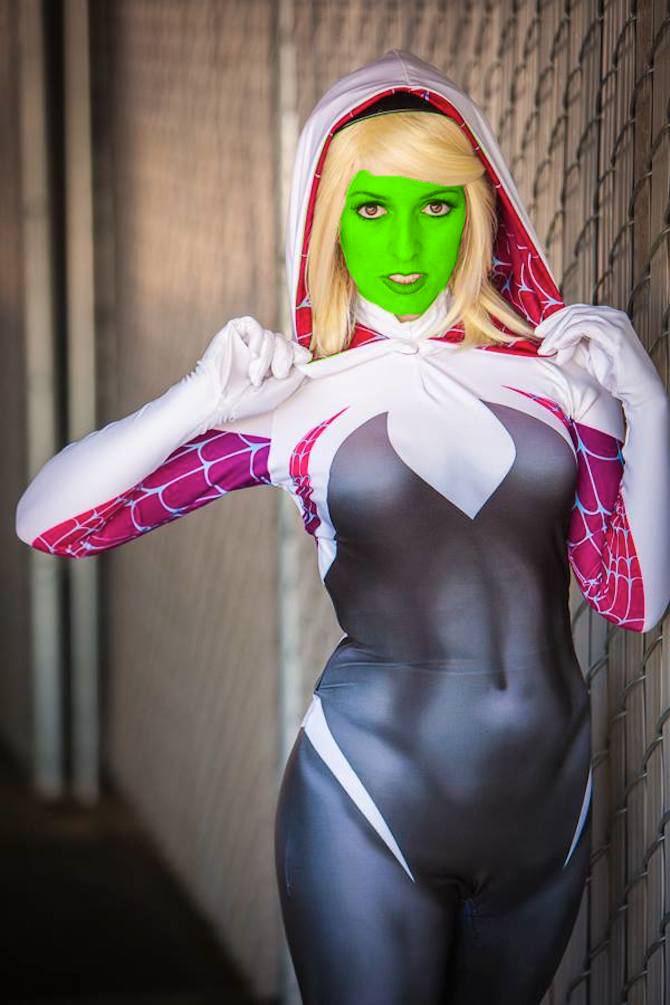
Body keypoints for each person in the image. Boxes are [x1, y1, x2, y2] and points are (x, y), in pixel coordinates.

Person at [15, 49, 670, 1005]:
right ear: (327, 220)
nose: (405, 239)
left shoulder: (561, 382)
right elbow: (52, 521)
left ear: (478, 209)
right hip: (367, 801)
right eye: (370, 208)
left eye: (435, 204)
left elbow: (631, 597)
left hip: (548, 810)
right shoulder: (298, 402)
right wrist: (196, 399)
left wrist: (649, 407)